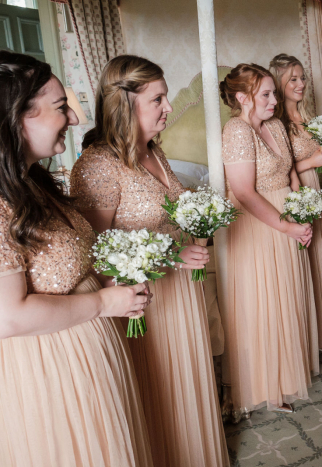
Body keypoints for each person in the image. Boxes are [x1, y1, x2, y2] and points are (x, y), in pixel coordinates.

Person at [70, 55, 229, 467]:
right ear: (126, 104)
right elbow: (99, 252)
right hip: (142, 303)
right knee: (159, 390)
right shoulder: (98, 164)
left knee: (186, 384)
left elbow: (168, 216)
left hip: (180, 293)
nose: (169, 107)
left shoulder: (154, 151)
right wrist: (171, 257)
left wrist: (191, 239)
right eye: (158, 99)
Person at [0, 50, 153, 466]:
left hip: (87, 350)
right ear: (17, 119)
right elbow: (7, 315)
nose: (73, 118)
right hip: (49, 372)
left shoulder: (35, 182)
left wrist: (106, 284)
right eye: (59, 107)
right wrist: (104, 302)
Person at [218, 63, 319, 420]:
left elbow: (290, 174)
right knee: (261, 301)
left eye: (274, 93)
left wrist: (302, 212)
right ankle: (260, 385)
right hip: (257, 224)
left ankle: (282, 376)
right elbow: (244, 192)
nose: (274, 99)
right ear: (243, 98)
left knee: (285, 296)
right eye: (266, 94)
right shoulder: (236, 130)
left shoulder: (275, 125)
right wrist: (285, 225)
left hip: (286, 215)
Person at [269, 53, 322, 351]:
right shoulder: (276, 123)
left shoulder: (307, 117)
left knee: (319, 254)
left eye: (302, 77)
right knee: (304, 260)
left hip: (314, 189)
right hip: (296, 191)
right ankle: (305, 337)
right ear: (279, 84)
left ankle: (320, 330)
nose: (301, 84)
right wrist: (312, 160)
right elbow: (278, 169)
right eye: (292, 79)